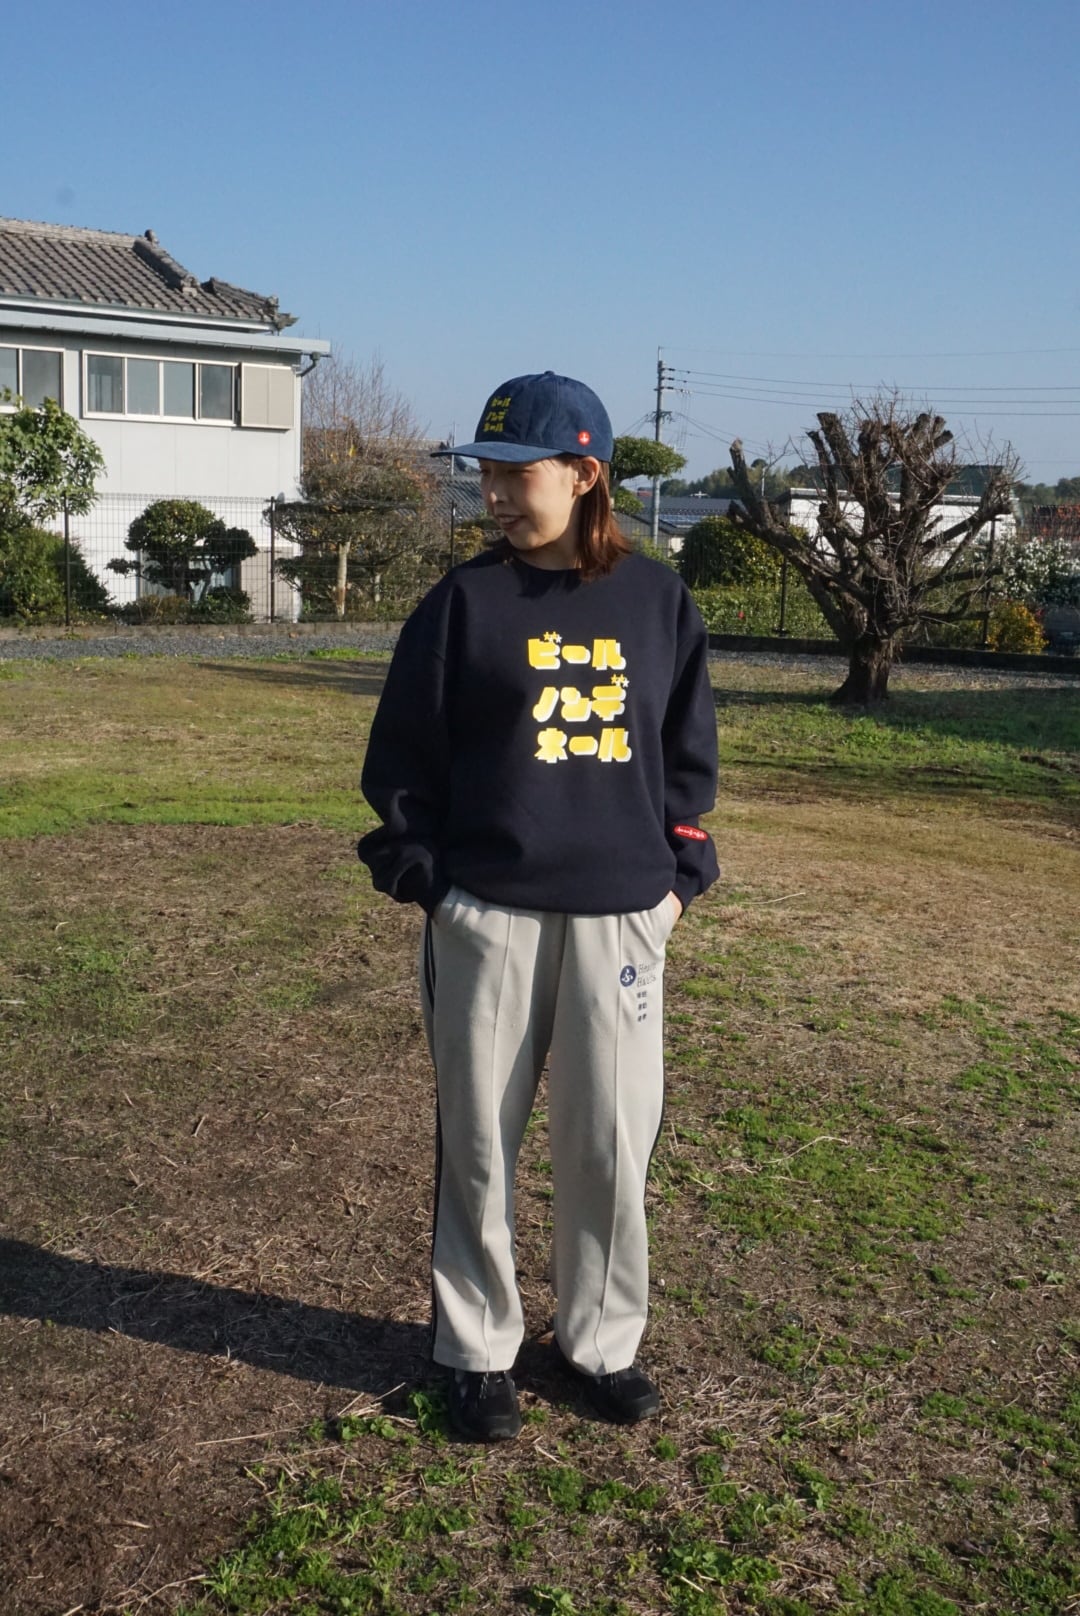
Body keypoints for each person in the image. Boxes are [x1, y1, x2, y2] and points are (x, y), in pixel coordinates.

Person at [358, 371, 719, 1442]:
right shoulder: (462, 605)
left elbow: (686, 760)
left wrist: (675, 885)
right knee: (478, 1142)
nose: (495, 494)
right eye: (487, 473)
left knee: (611, 1143)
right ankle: (474, 1350)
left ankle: (601, 1342)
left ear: (585, 474)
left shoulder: (658, 602)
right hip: (491, 916)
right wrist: (437, 887)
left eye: (519, 474)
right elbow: (401, 762)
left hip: (622, 918)